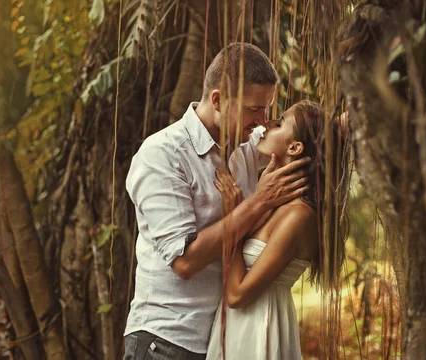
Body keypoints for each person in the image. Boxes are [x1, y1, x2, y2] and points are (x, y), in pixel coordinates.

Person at [123, 43, 311, 360]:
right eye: (254, 109)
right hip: (166, 342)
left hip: (221, 344)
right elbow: (185, 261)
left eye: (267, 109)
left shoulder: (248, 147)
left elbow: (314, 133)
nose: (263, 121)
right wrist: (259, 202)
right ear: (218, 99)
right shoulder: (163, 155)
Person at [205, 100, 349, 360]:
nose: (266, 124)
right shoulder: (276, 200)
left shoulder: (299, 216)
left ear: (294, 147)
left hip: (260, 326)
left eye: (280, 122)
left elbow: (237, 294)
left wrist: (234, 216)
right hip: (238, 324)